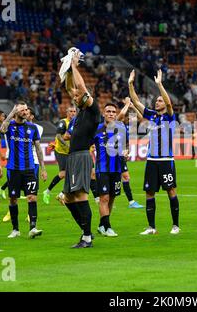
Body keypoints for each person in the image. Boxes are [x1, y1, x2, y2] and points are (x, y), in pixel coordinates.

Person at [129, 69, 180, 235]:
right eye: (157, 100)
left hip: (166, 160)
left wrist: (159, 85)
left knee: (171, 191)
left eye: (160, 100)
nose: (157, 102)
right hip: (151, 161)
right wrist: (130, 84)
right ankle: (151, 227)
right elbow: (136, 102)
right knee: (149, 193)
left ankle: (175, 225)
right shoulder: (152, 116)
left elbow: (170, 104)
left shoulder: (170, 117)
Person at [62, 52, 101, 248]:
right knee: (68, 199)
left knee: (80, 196)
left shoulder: (93, 111)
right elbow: (71, 87)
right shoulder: (79, 114)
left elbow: (81, 88)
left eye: (78, 96)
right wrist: (69, 69)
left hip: (82, 157)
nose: (74, 97)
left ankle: (86, 237)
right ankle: (86, 232)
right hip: (72, 158)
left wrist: (74, 65)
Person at [0, 102, 47, 239]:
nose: (26, 111)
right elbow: (2, 130)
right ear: (16, 112)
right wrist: (11, 113)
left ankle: (33, 227)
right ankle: (15, 229)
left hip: (29, 169)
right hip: (13, 169)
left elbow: (38, 149)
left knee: (32, 197)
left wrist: (43, 168)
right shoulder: (10, 126)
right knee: (13, 199)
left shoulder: (32, 128)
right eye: (22, 109)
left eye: (26, 109)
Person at [95, 103, 128, 237]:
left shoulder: (121, 128)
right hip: (102, 169)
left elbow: (125, 145)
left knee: (112, 197)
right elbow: (88, 145)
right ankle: (108, 227)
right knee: (104, 198)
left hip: (117, 169)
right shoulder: (96, 129)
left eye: (113, 112)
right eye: (108, 111)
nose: (111, 114)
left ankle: (102, 225)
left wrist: (126, 152)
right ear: (103, 113)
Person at [43, 105, 77, 204]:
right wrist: (66, 145)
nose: (73, 113)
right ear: (67, 113)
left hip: (71, 152)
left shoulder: (76, 123)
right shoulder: (63, 122)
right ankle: (48, 192)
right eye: (70, 111)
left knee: (74, 174)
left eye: (74, 111)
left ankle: (61, 194)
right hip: (61, 152)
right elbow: (58, 136)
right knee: (63, 174)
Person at [116, 97, 144, 209]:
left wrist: (133, 106)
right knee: (113, 179)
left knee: (125, 177)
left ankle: (131, 202)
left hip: (120, 156)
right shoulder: (115, 123)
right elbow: (120, 116)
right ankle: (104, 199)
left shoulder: (126, 126)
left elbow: (141, 118)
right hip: (111, 155)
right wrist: (127, 104)